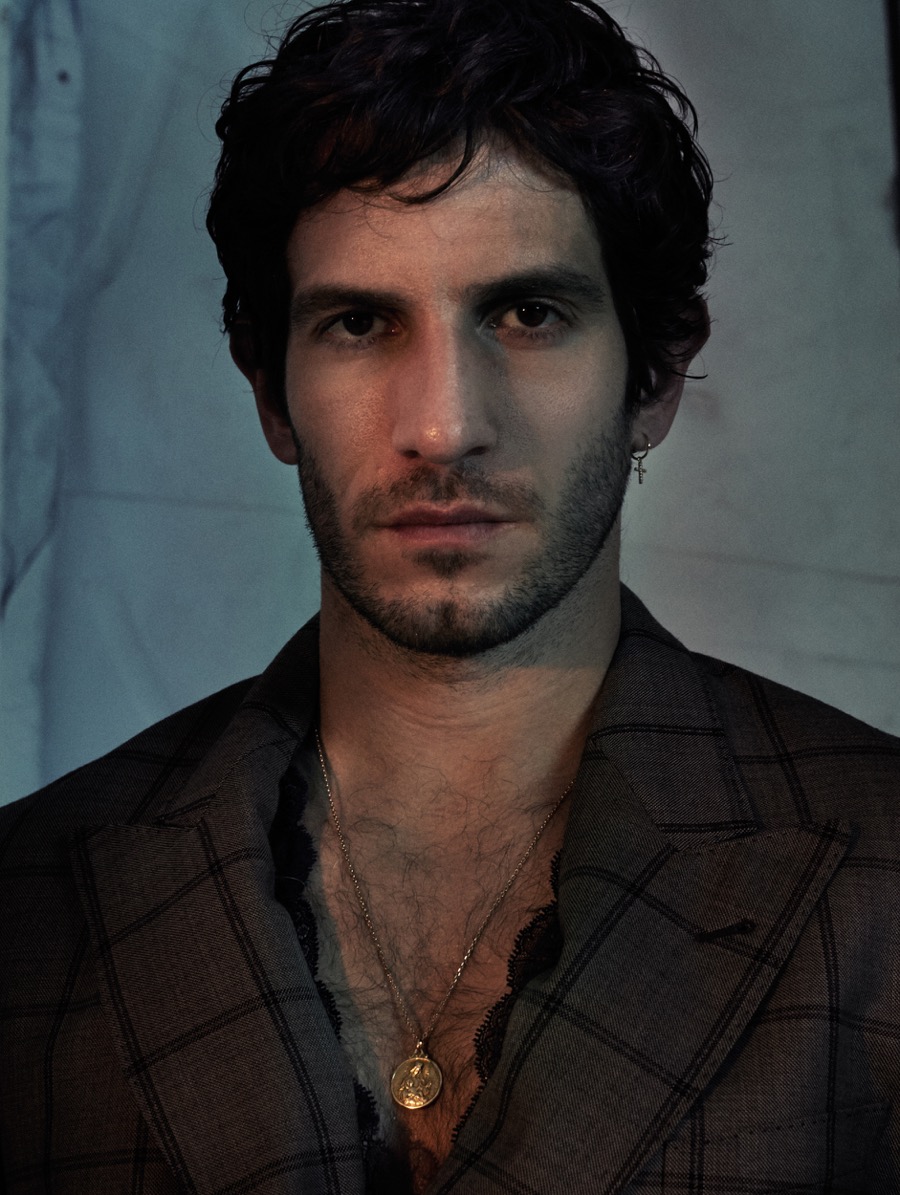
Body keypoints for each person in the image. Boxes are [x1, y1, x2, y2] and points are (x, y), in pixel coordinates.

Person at [1, 0, 898, 1191]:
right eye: (359, 322)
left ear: (654, 378)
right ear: (271, 394)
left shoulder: (882, 880)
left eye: (528, 314)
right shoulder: (25, 899)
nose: (443, 425)